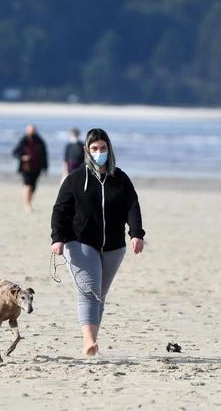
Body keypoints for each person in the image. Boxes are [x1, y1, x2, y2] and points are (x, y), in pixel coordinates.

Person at [51, 128, 145, 356]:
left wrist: (136, 234)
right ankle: (89, 343)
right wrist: (58, 238)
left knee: (99, 295)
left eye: (103, 148)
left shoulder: (120, 178)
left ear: (109, 149)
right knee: (89, 292)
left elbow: (132, 205)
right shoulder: (75, 178)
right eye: (94, 148)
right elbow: (60, 210)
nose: (99, 152)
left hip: (114, 245)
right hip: (80, 242)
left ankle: (92, 339)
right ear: (87, 150)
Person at [12, 124, 47, 213]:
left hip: (37, 167)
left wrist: (45, 167)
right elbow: (15, 152)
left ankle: (29, 203)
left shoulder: (40, 141)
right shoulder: (23, 140)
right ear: (27, 131)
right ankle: (27, 205)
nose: (31, 132)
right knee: (27, 186)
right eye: (30, 130)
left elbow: (44, 155)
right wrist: (22, 157)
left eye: (33, 130)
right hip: (25, 168)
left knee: (33, 187)